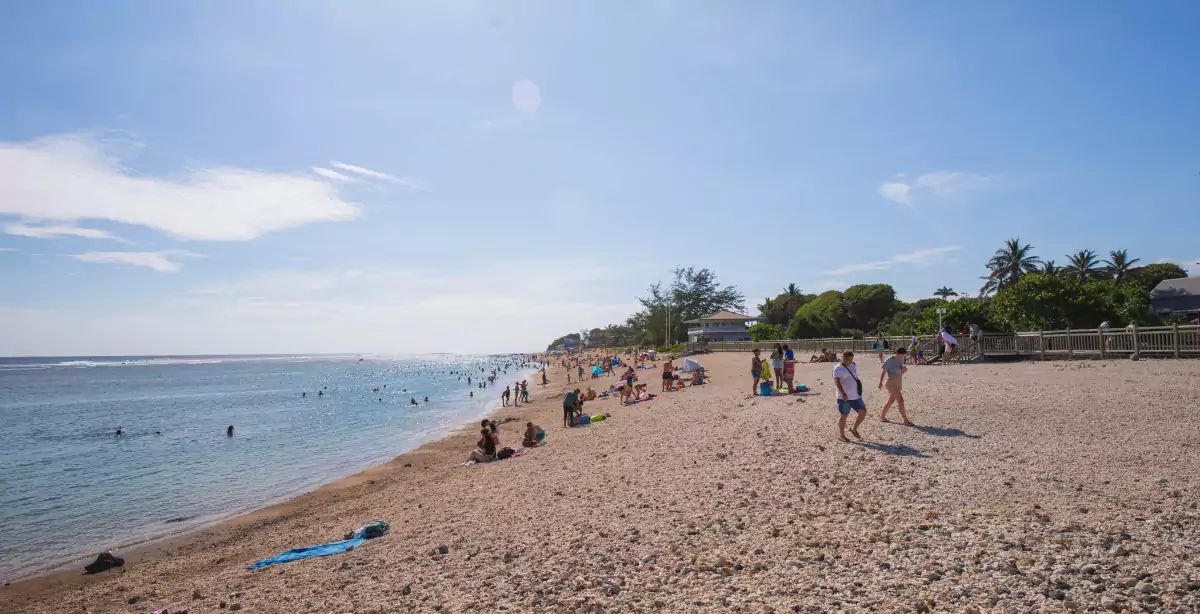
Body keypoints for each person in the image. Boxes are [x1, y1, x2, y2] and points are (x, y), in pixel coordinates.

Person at [832, 351, 867, 442]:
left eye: (851, 359)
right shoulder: (838, 368)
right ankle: (841, 435)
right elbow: (837, 382)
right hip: (844, 398)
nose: (850, 362)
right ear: (843, 358)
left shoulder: (853, 365)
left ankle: (854, 428)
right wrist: (843, 393)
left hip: (855, 396)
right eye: (848, 360)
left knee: (863, 412)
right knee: (844, 415)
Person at [878, 348, 914, 425]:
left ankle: (882, 417)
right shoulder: (889, 360)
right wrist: (880, 383)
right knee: (901, 400)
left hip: (898, 382)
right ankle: (905, 420)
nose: (903, 357)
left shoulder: (901, 359)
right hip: (891, 382)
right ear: (898, 354)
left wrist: (904, 370)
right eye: (902, 355)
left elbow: (900, 372)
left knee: (891, 400)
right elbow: (883, 371)